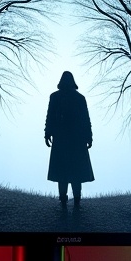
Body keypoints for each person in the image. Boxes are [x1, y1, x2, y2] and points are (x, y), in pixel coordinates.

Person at [44, 70, 94, 206]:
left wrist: (48, 133)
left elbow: (50, 117)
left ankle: (63, 197)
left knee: (62, 170)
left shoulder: (54, 97)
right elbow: (85, 119)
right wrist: (88, 136)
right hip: (77, 140)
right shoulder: (80, 98)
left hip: (61, 139)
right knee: (76, 170)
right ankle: (77, 198)